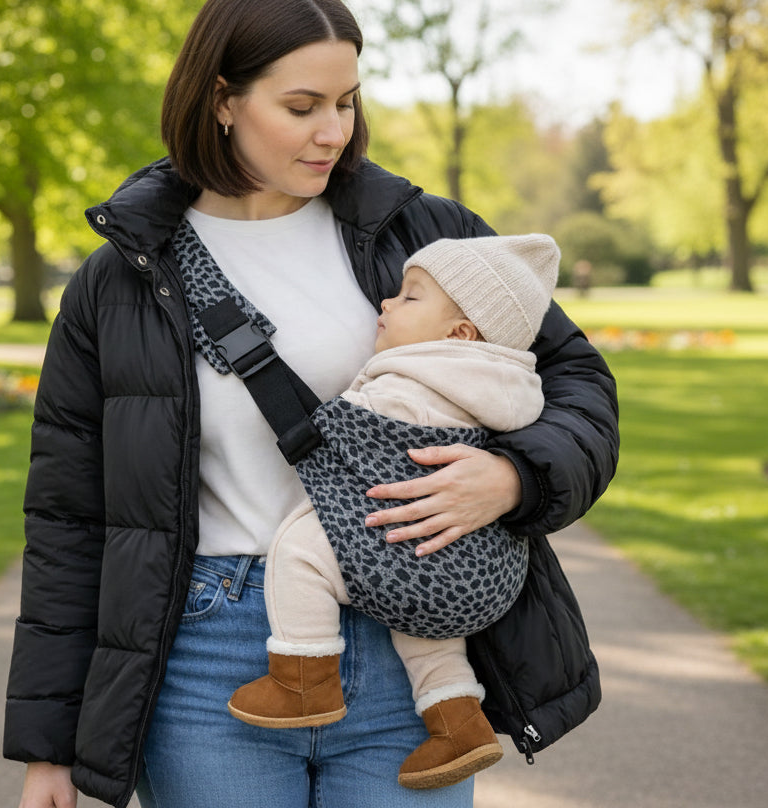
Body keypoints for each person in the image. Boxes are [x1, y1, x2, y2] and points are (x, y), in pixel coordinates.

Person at [3, 0, 619, 807]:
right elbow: (69, 518)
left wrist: (516, 478)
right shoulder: (116, 284)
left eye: (348, 101)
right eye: (302, 106)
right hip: (209, 664)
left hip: (415, 647)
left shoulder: (424, 234)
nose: (334, 131)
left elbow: (578, 379)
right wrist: (50, 746)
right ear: (223, 100)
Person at [227, 234, 561, 792]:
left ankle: (304, 676)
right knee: (426, 631)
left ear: (459, 333)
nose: (387, 303)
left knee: (301, 550)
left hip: (399, 543)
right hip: (478, 571)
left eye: (410, 298)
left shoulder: (410, 380)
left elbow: (342, 436)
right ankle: (458, 722)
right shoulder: (508, 389)